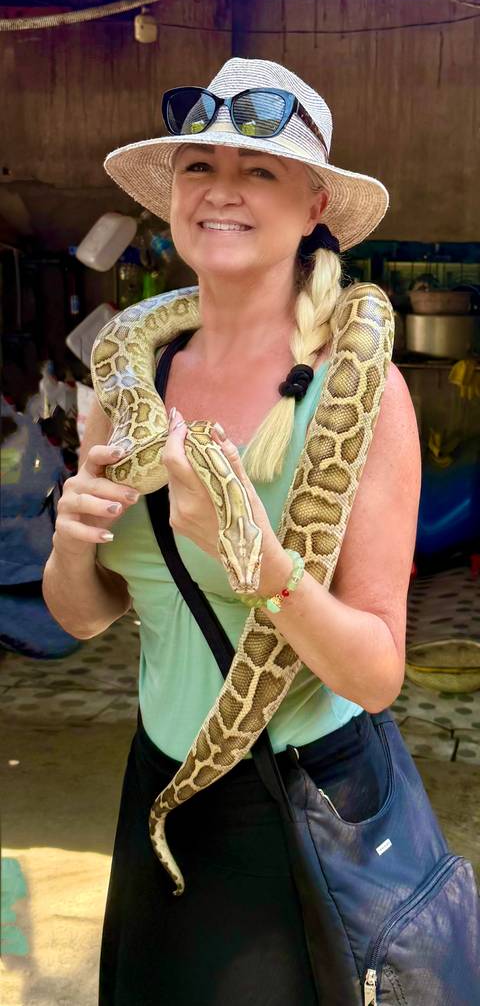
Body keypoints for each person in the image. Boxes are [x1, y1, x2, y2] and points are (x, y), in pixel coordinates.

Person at [43, 58, 421, 1005]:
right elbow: (84, 619)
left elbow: (375, 674)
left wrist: (257, 557)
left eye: (259, 170)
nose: (220, 191)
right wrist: (70, 540)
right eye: (198, 168)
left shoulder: (356, 387)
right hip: (159, 790)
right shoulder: (128, 376)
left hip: (290, 803)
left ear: (314, 204)